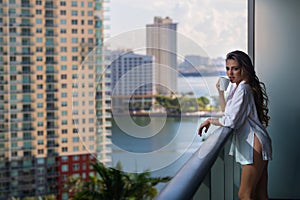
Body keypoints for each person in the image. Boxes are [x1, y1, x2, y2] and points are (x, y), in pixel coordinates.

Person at [198, 50, 272, 200]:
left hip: (254, 145)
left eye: (235, 68)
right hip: (258, 142)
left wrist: (210, 121)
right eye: (227, 68)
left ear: (244, 69)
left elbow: (230, 122)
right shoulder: (238, 88)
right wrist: (220, 93)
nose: (230, 73)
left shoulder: (243, 89)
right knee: (260, 194)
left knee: (244, 194)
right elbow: (228, 114)